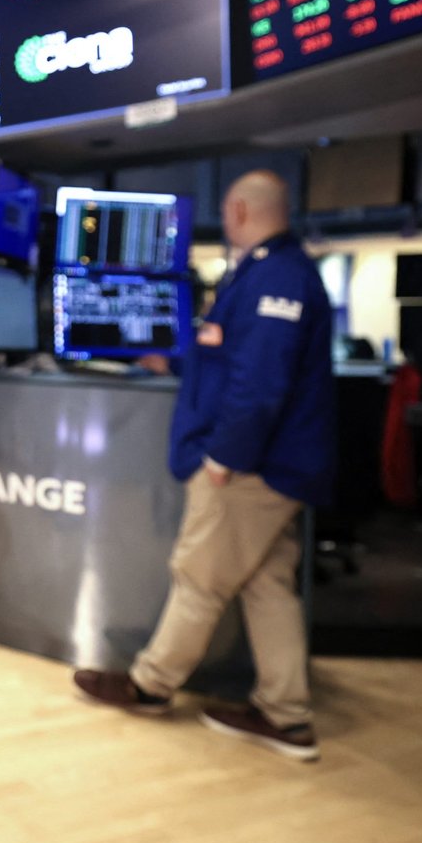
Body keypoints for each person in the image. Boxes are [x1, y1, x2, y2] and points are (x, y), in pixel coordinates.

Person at [73, 170, 335, 762]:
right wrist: (178, 368)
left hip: (250, 468)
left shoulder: (277, 276)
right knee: (267, 585)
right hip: (268, 467)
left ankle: (151, 685)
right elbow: (231, 363)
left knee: (199, 577)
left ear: (238, 210)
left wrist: (224, 458)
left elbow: (262, 384)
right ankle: (285, 715)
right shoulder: (268, 271)